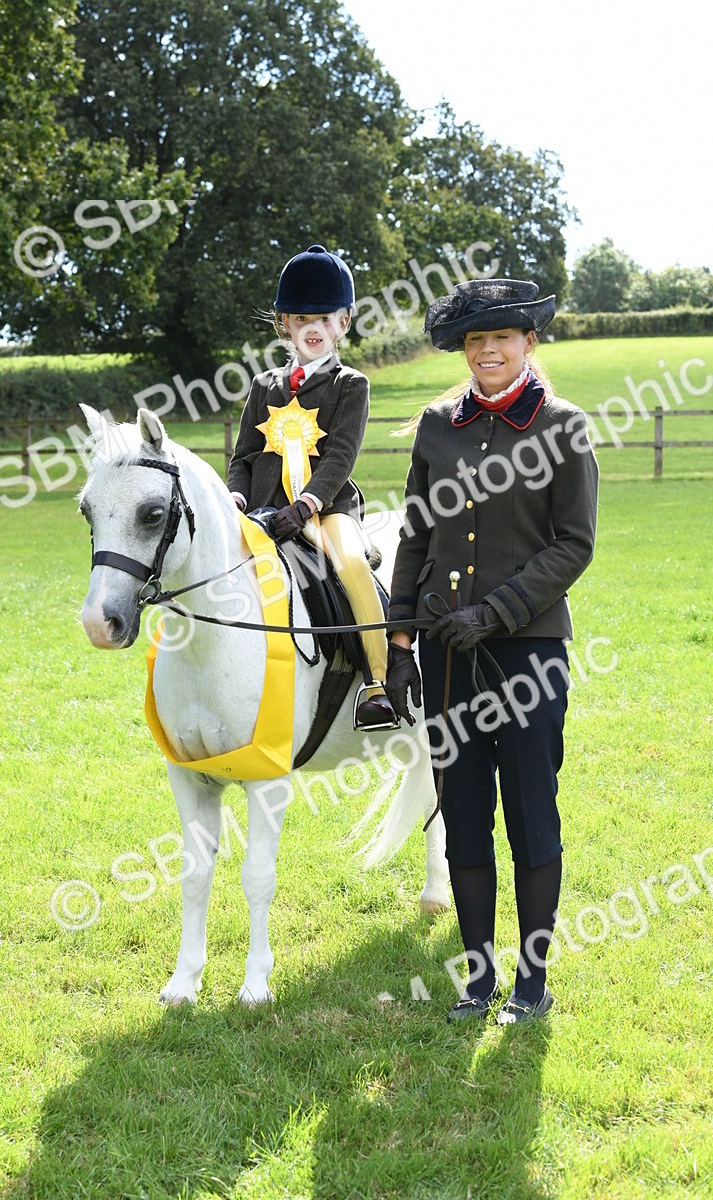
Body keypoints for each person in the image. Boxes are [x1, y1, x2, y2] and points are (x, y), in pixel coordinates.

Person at [385, 278, 599, 1024]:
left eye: (501, 339)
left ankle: (531, 984)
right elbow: (414, 535)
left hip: (529, 655)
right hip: (447, 655)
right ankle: (477, 981)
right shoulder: (436, 427)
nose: (488, 352)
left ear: (529, 343)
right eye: (476, 341)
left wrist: (500, 610)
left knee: (532, 814)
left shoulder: (564, 427)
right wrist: (401, 640)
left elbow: (575, 544)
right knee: (465, 811)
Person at [228, 243, 397, 729]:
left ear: (344, 323)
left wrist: (306, 505)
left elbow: (342, 455)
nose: (313, 328)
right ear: (284, 323)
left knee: (349, 565)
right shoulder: (264, 386)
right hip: (261, 510)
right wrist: (237, 497)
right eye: (302, 318)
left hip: (327, 507)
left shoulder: (351, 385)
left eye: (324, 318)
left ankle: (376, 683)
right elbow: (242, 457)